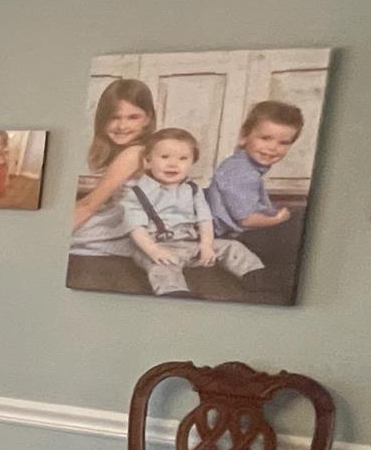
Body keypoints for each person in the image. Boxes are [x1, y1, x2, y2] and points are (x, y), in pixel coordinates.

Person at [122, 129, 265, 296]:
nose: (173, 164)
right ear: (148, 161)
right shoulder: (136, 193)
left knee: (233, 246)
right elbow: (135, 228)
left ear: (192, 163)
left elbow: (204, 220)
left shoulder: (193, 189)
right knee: (161, 268)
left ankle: (254, 274)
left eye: (183, 159)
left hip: (190, 244)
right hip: (156, 246)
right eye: (165, 157)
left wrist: (206, 245)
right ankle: (174, 292)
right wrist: (154, 250)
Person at [66, 78, 158, 287]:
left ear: (148, 118)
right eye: (114, 117)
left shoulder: (134, 153)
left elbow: (91, 204)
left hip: (128, 225)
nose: (122, 126)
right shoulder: (131, 150)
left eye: (133, 117)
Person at [206, 100, 304, 238]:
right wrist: (278, 219)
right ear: (243, 136)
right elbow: (246, 219)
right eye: (266, 138)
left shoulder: (247, 168)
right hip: (226, 235)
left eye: (283, 143)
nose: (273, 147)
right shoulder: (240, 171)